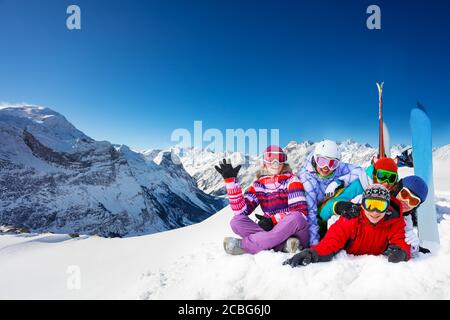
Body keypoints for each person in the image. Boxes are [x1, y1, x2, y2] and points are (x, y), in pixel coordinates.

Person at [283, 184, 411, 267]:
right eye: (370, 204)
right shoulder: (352, 218)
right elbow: (332, 241)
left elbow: (401, 241)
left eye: (380, 206)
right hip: (350, 267)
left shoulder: (394, 221)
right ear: (362, 204)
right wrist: (311, 254)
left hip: (373, 275)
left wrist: (402, 253)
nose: (374, 212)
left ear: (387, 208)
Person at [215, 145, 309, 255]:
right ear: (264, 162)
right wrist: (231, 182)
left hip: (294, 230)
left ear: (284, 162)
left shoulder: (292, 180)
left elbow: (300, 213)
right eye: (270, 160)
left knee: (296, 217)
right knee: (236, 221)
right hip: (274, 231)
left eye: (279, 159)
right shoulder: (259, 185)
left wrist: (272, 220)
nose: (275, 163)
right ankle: (284, 245)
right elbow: (241, 211)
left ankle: (244, 246)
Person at [298, 140, 365, 245]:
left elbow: (360, 171)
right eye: (321, 161)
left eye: (332, 163)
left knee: (359, 183)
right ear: (315, 160)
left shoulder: (337, 169)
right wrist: (314, 245)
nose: (326, 167)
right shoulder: (308, 180)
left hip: (331, 205)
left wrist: (339, 182)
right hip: (317, 217)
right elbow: (311, 214)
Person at [319, 157, 399, 224]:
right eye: (381, 176)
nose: (386, 183)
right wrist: (338, 207)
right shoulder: (359, 187)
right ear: (374, 174)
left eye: (391, 178)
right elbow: (324, 211)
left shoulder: (393, 191)